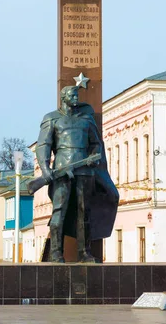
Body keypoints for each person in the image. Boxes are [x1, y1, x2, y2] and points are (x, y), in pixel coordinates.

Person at [36, 85, 118, 263]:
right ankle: (56, 253)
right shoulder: (52, 119)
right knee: (59, 211)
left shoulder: (86, 119)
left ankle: (84, 252)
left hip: (85, 172)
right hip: (62, 172)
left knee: (84, 212)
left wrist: (93, 158)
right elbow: (44, 146)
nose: (76, 98)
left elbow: (96, 143)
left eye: (76, 95)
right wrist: (45, 169)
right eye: (72, 95)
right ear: (63, 97)